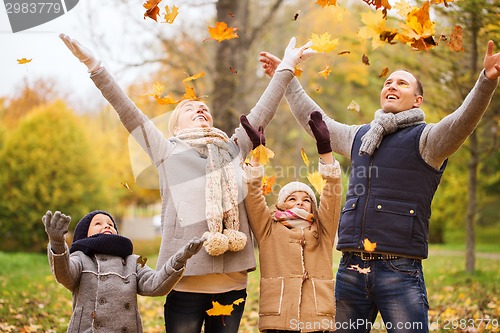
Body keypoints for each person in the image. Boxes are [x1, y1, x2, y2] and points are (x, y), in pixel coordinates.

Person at [59, 34, 317, 332]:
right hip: (184, 282)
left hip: (232, 284)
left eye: (203, 107)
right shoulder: (167, 152)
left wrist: (287, 65)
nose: (200, 109)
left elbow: (263, 111)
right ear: (175, 125)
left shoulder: (233, 148)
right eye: (188, 108)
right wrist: (95, 66)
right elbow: (128, 111)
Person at [258, 40, 499, 332]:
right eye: (388, 82)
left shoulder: (428, 140)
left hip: (399, 271)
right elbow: (317, 123)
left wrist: (485, 81)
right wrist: (287, 77)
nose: (392, 86)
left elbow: (462, 121)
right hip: (350, 269)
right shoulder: (360, 136)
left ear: (417, 100)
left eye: (402, 83)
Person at [240, 111, 342, 332]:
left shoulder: (322, 230)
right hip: (279, 316)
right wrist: (257, 155)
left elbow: (332, 195)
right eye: (292, 198)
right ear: (281, 204)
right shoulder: (268, 228)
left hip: (316, 317)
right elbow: (254, 195)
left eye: (306, 200)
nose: (300, 202)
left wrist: (325, 151)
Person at [42, 209, 204, 332]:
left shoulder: (134, 260)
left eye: (110, 224)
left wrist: (180, 258)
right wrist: (57, 242)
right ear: (84, 235)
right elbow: (65, 275)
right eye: (97, 223)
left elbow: (155, 284)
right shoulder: (81, 257)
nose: (106, 225)